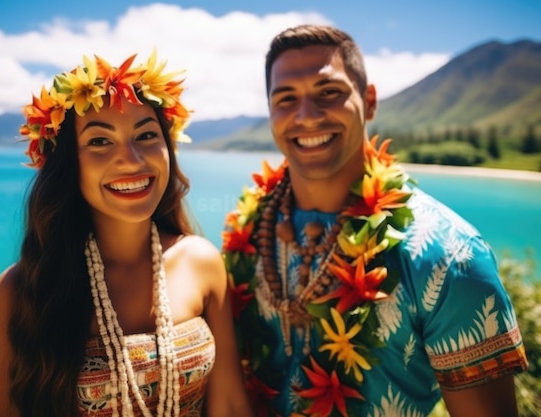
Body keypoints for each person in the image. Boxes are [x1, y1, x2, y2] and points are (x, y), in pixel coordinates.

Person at [222, 24, 529, 417]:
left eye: (328, 93)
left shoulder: (449, 254)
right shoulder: (246, 233)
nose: (307, 116)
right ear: (270, 112)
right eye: (286, 99)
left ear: (369, 101)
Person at [0, 50, 254, 417]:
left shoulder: (201, 262)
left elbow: (231, 406)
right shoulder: (21, 291)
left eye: (145, 135)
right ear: (68, 164)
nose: (131, 159)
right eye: (99, 141)